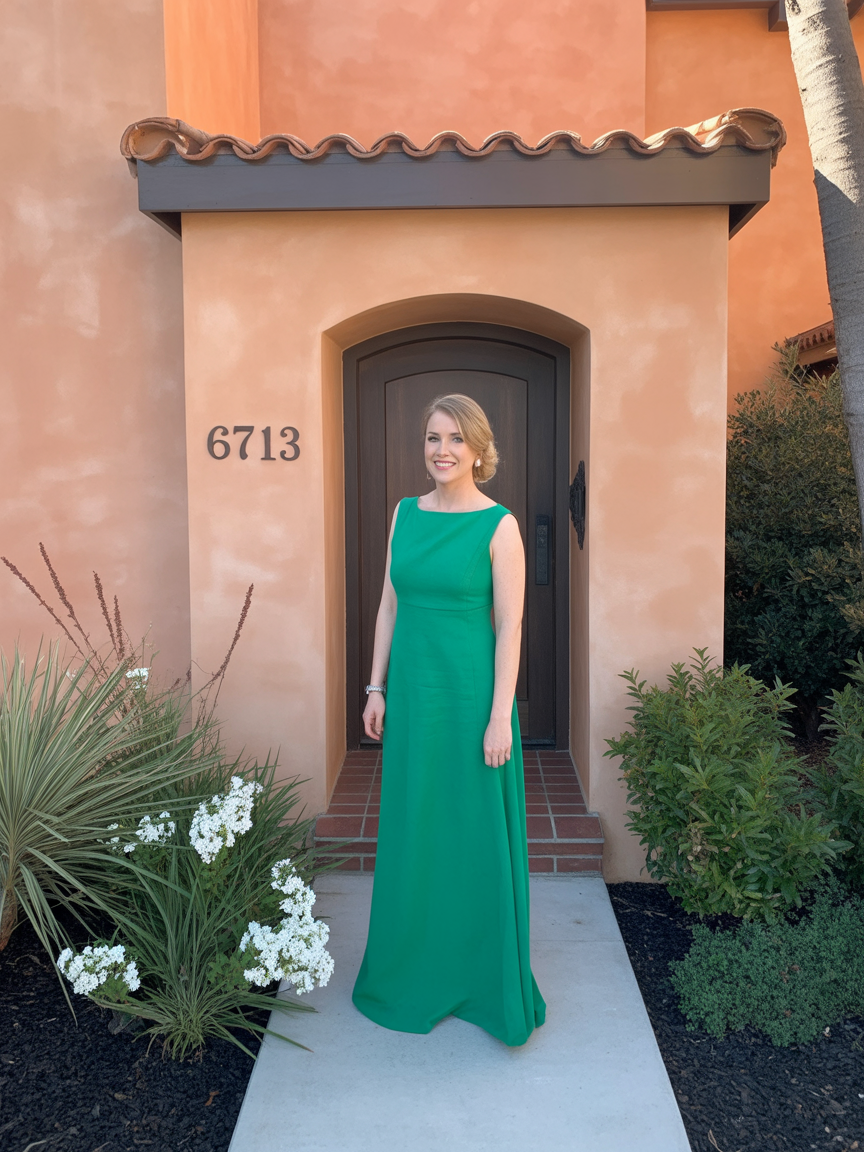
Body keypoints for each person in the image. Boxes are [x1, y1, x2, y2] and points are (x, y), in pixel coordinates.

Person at [351, 392, 546, 1047]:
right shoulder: (404, 515)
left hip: (471, 701)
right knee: (416, 830)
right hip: (413, 696)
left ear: (479, 449)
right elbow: (387, 606)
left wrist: (501, 718)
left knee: (471, 835)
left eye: (456, 439)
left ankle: (481, 979)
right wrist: (375, 688)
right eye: (433, 437)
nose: (442, 450)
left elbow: (511, 627)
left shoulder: (500, 526)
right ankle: (415, 968)